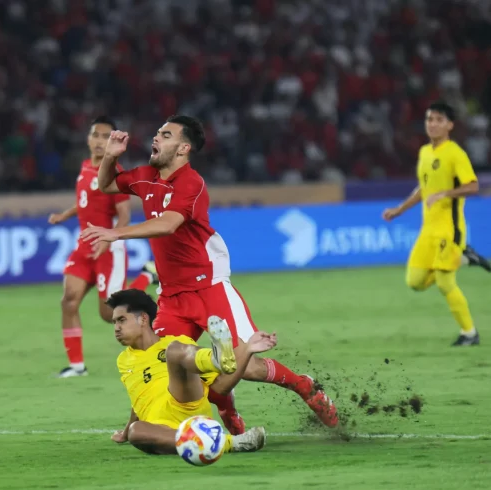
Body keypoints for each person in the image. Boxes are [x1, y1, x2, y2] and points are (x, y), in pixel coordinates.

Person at [81, 115, 338, 434]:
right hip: (172, 296)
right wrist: (109, 157)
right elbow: (106, 185)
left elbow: (168, 224)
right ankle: (221, 405)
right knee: (161, 360)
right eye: (158, 132)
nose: (156, 138)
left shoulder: (191, 183)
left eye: (166, 135)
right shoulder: (146, 176)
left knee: (248, 366)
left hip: (209, 286)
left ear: (183, 148)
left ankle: (304, 386)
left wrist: (116, 233)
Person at [48, 117, 157, 378]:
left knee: (109, 314)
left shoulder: (114, 173)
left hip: (108, 248)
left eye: (106, 137)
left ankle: (147, 275)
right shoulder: (85, 167)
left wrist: (109, 240)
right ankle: (77, 367)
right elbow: (86, 201)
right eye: (95, 135)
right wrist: (65, 215)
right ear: (88, 139)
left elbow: (124, 216)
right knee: (68, 301)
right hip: (84, 247)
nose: (99, 141)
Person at [108, 289, 270, 455]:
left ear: (143, 318)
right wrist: (126, 432)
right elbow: (138, 398)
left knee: (174, 351)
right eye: (114, 322)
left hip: (188, 407)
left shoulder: (178, 342)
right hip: (161, 429)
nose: (116, 328)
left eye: (122, 320)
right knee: (136, 431)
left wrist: (247, 351)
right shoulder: (123, 360)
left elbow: (221, 387)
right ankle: (234, 443)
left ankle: (215, 359)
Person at [383, 102, 491, 346]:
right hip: (428, 229)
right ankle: (464, 258)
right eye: (429, 119)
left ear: (450, 125)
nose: (433, 124)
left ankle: (469, 333)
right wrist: (399, 209)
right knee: (414, 282)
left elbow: (473, 185)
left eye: (439, 120)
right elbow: (424, 188)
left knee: (445, 282)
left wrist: (445, 193)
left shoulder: (455, 153)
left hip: (450, 230)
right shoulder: (425, 152)